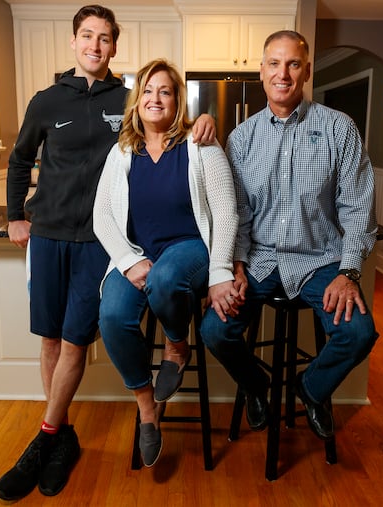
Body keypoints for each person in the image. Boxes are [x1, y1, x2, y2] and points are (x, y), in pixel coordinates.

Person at [0, 6, 215, 501]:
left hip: (102, 243)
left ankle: (44, 439)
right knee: (50, 342)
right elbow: (19, 159)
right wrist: (15, 215)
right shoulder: (46, 100)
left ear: (115, 47)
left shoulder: (129, 100)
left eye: (104, 38)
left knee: (76, 342)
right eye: (87, 36)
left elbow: (170, 126)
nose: (95, 46)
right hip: (48, 234)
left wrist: (205, 119)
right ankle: (60, 436)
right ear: (74, 42)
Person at [200, 30, 379, 441]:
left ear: (307, 71)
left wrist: (348, 272)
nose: (284, 73)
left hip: (321, 260)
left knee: (358, 333)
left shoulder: (339, 129)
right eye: (275, 64)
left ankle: (310, 390)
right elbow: (237, 213)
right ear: (262, 72)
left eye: (293, 64)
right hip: (260, 260)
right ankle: (258, 387)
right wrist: (236, 265)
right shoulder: (241, 138)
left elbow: (357, 208)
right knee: (214, 329)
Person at [93, 59, 238, 467]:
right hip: (139, 254)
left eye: (166, 91)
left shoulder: (200, 144)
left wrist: (221, 271)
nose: (156, 98)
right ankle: (147, 408)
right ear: (137, 101)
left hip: (190, 249)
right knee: (112, 316)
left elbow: (226, 212)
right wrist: (126, 261)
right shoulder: (122, 152)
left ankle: (177, 345)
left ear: (177, 102)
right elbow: (101, 216)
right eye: (148, 91)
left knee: (167, 277)